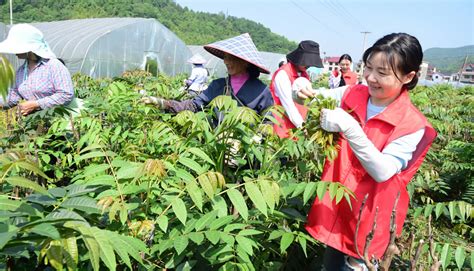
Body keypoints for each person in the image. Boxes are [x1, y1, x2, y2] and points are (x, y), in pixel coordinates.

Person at [293, 33, 437, 270]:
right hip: (338, 204)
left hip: (370, 219)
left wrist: (350, 127)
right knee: (330, 266)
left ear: (408, 76)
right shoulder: (352, 93)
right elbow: (312, 98)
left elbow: (383, 171)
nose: (370, 78)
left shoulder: (412, 125)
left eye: (382, 73)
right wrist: (299, 89)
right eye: (368, 67)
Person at [142, 33, 273, 118]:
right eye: (225, 57)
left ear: (246, 62)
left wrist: (253, 140)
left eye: (232, 58)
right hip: (216, 149)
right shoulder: (218, 85)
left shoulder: (261, 91)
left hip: (245, 156)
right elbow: (193, 105)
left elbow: (268, 120)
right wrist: (165, 103)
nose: (226, 62)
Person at [0, 24, 74, 116]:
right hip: (33, 122)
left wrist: (36, 104)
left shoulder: (53, 66)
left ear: (29, 49)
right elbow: (13, 97)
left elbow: (66, 94)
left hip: (56, 121)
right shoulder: (21, 71)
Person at [269, 40, 323, 138]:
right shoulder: (283, 74)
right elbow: (288, 105)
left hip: (298, 127)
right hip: (282, 127)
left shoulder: (304, 74)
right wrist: (302, 126)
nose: (308, 65)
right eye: (306, 62)